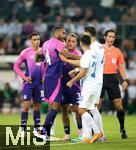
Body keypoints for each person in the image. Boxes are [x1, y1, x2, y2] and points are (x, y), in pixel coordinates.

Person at [60, 34, 103, 143]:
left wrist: (71, 81)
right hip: (95, 85)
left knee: (81, 110)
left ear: (80, 43)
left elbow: (83, 71)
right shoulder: (92, 54)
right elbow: (82, 64)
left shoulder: (85, 55)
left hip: (88, 86)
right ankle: (87, 136)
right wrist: (75, 68)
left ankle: (97, 131)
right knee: (89, 109)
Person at [40, 26, 81, 140]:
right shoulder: (58, 43)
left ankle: (45, 132)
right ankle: (44, 132)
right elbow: (67, 55)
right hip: (55, 77)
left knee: (54, 106)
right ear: (56, 32)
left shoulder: (45, 44)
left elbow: (41, 57)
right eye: (63, 33)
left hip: (48, 76)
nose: (65, 36)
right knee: (55, 106)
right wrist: (84, 58)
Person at [13, 32, 45, 137]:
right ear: (30, 41)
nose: (37, 41)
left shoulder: (43, 52)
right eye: (35, 39)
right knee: (26, 105)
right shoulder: (26, 52)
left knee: (37, 106)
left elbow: (46, 66)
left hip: (39, 84)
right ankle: (22, 130)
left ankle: (37, 130)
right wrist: (24, 77)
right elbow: (16, 66)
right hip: (29, 83)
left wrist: (44, 76)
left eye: (38, 39)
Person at [99, 29, 128, 139]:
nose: (111, 39)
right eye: (109, 36)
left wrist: (124, 80)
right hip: (100, 79)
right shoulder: (99, 48)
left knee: (119, 106)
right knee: (97, 106)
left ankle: (122, 128)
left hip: (112, 79)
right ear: (105, 37)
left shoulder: (117, 51)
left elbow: (120, 67)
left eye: (113, 37)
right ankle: (97, 131)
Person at [61, 33, 82, 141]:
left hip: (75, 85)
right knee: (64, 110)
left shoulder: (78, 53)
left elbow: (83, 67)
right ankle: (67, 134)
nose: (70, 43)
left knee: (77, 109)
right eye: (69, 41)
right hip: (62, 86)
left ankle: (81, 132)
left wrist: (76, 69)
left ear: (76, 43)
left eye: (73, 41)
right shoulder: (61, 52)